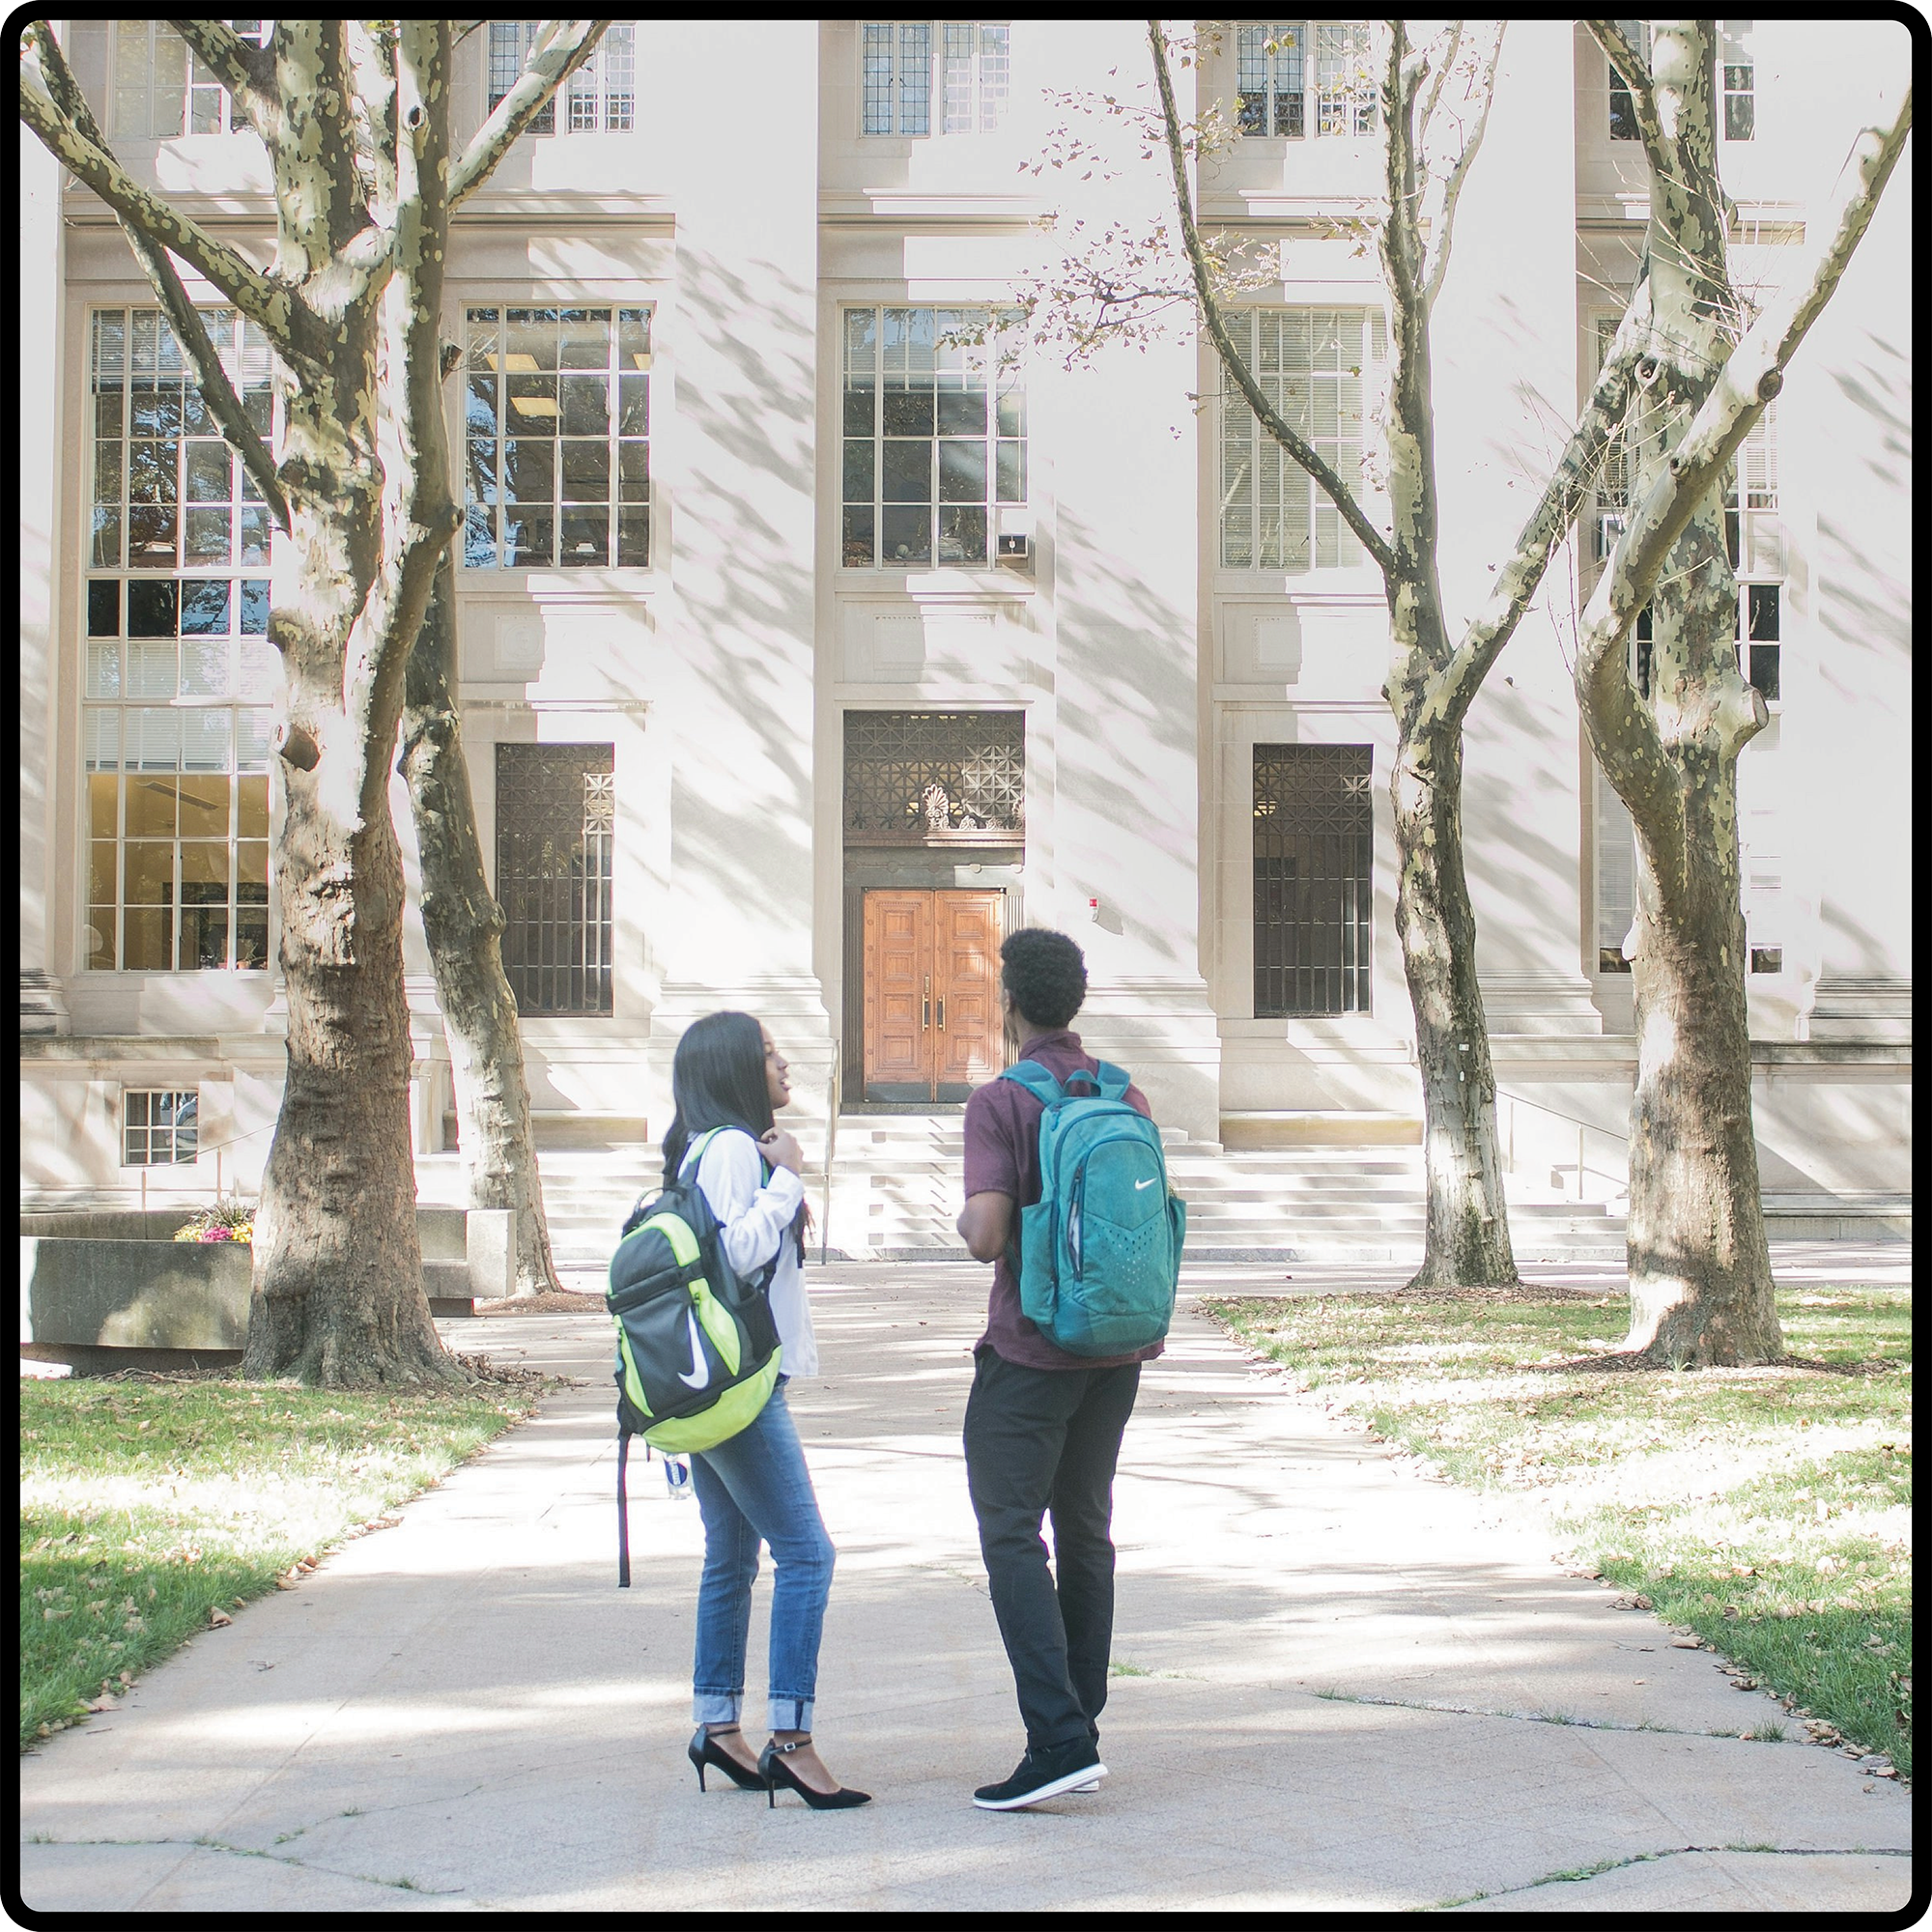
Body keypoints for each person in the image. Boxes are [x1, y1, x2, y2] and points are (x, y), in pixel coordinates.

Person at [954, 927, 1163, 1810]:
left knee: (1010, 1533)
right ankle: (1083, 1721)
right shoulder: (1127, 1093)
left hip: (1031, 1351)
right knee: (1085, 1528)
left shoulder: (1001, 1100)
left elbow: (987, 1237)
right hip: (1116, 1348)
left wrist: (964, 1210)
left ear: (1009, 1004)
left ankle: (1057, 1738)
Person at [666, 1010, 869, 1811]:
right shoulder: (724, 1151)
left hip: (720, 1379)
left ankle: (717, 1726)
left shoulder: (711, 1147)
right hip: (739, 1384)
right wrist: (788, 1179)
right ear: (733, 1071)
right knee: (807, 1555)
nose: (784, 1064)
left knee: (732, 1555)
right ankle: (791, 1741)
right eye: (769, 1054)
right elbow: (734, 1255)